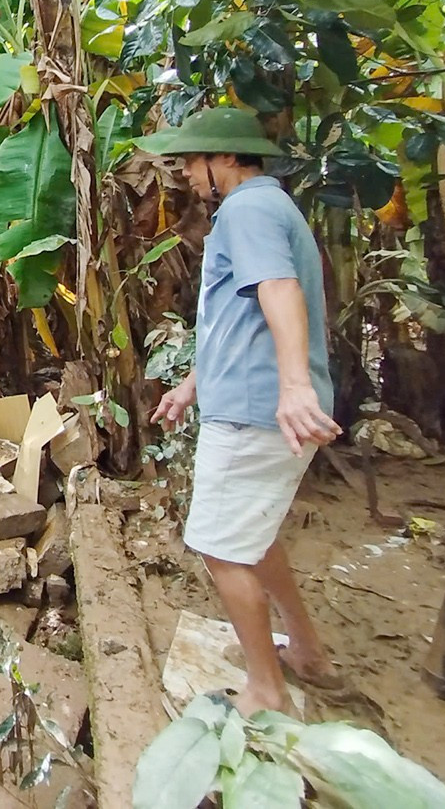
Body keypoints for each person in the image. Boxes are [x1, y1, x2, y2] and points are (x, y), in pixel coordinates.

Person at [134, 106, 347, 716]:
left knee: (218, 547)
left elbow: (278, 289)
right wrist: (193, 385)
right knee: (255, 538)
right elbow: (240, 316)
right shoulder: (264, 208)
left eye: (192, 163)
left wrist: (295, 387)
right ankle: (305, 650)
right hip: (250, 400)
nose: (187, 176)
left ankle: (266, 689)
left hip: (257, 412)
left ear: (224, 158)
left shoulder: (249, 209)